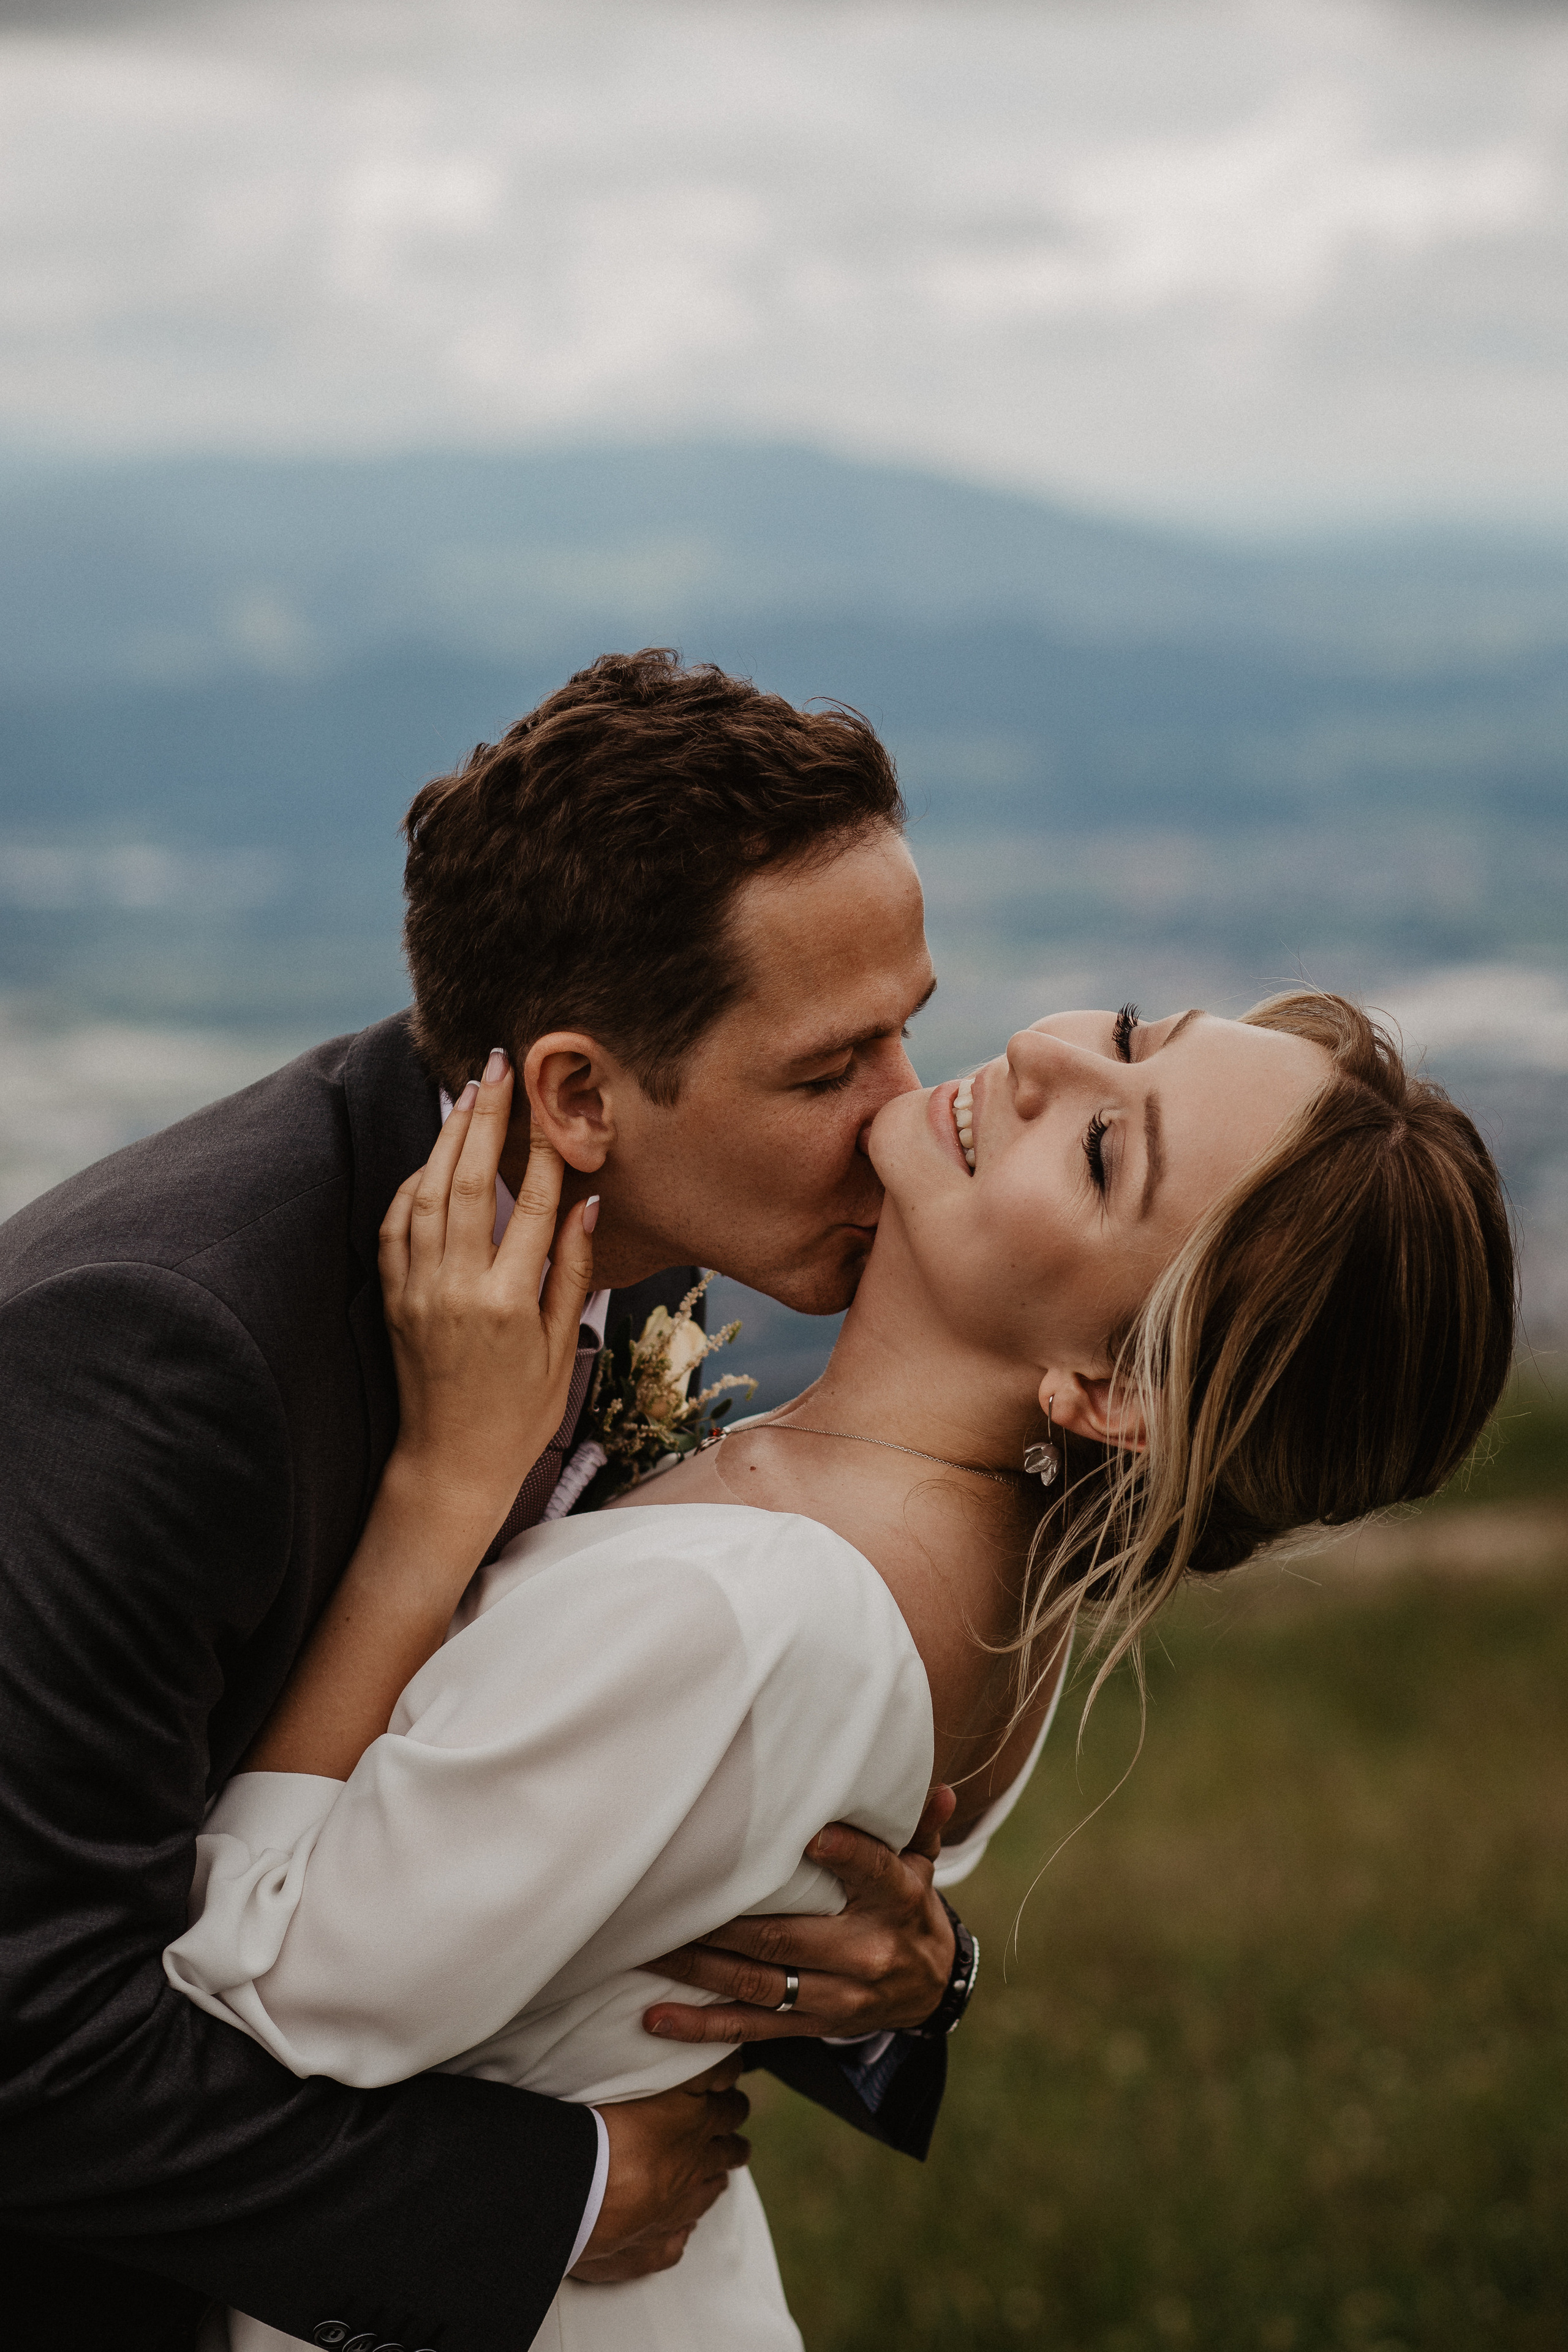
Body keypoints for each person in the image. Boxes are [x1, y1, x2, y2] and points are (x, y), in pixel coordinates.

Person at [166, 979, 1514, 2351]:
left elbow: (253, 1991)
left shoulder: (739, 1613)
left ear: (1112, 1393)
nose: (1039, 1056)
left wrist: (437, 1494)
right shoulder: (1022, 1578)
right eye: (1124, 1034)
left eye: (1106, 1152)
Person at [0, 652, 969, 2352]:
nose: (907, 1127)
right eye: (831, 1073)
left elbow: (542, 1807)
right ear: (581, 1092)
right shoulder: (163, 1357)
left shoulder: (631, 1230)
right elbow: (32, 2033)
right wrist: (561, 2198)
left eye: (911, 1034)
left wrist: (900, 1977)